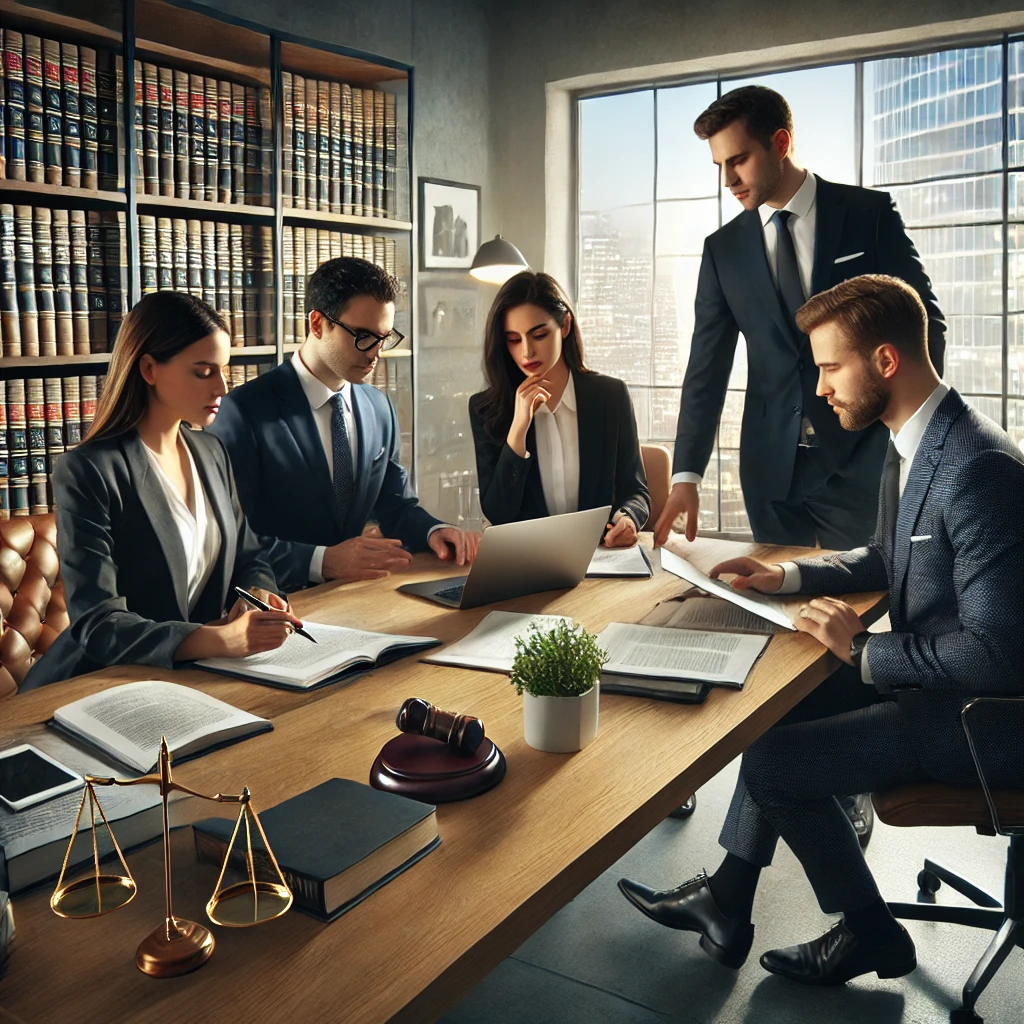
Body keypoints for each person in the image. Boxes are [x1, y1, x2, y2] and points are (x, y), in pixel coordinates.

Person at [619, 274, 1024, 985]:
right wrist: (789, 577)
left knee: (776, 765)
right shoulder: (921, 441)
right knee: (776, 710)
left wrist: (865, 651)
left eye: (831, 367)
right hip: (942, 691)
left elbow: (998, 655)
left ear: (886, 362)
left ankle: (872, 935)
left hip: (982, 723)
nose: (820, 388)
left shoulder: (978, 469)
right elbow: (889, 554)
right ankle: (727, 901)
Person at [655, 85, 945, 553]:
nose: (728, 179)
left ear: (782, 143)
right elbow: (706, 367)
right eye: (720, 166)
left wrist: (911, 428)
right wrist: (686, 476)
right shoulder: (722, 250)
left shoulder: (867, 215)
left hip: (862, 459)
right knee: (780, 601)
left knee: (860, 602)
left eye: (740, 160)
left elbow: (926, 320)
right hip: (770, 469)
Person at [22, 292, 301, 690]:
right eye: (204, 372)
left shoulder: (211, 451)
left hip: (193, 675)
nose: (223, 386)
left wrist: (258, 593)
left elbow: (248, 554)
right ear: (150, 368)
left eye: (225, 369)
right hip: (95, 682)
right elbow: (98, 624)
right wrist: (217, 639)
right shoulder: (88, 470)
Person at [210, 258, 477, 592]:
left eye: (385, 337)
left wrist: (432, 531)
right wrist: (321, 561)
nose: (375, 353)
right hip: (279, 608)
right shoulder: (243, 411)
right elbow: (227, 540)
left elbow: (396, 506)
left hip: (359, 601)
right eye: (363, 337)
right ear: (318, 324)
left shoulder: (380, 408)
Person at [468, 271, 649, 546]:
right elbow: (498, 514)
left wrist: (627, 518)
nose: (527, 351)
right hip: (530, 567)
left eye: (538, 334)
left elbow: (636, 491)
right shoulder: (486, 409)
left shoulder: (610, 396)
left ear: (564, 325)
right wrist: (518, 430)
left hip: (600, 561)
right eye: (514, 340)